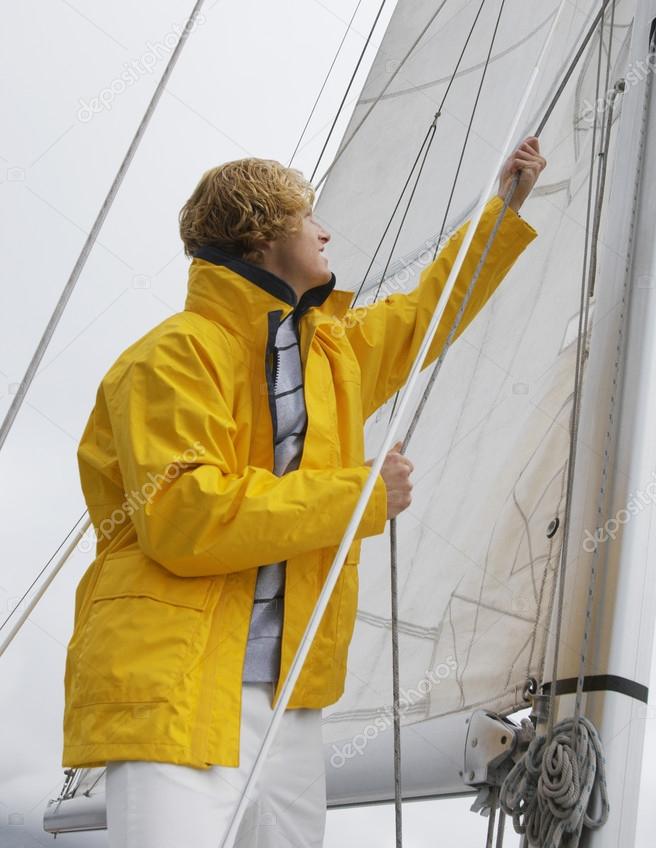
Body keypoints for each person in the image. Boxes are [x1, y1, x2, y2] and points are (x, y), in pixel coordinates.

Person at [62, 137, 545, 847]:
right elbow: (184, 517)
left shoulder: (334, 355)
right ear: (261, 234)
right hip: (174, 691)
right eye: (307, 217)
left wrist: (503, 210)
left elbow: (426, 314)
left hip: (292, 704)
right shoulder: (170, 357)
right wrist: (360, 497)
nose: (323, 231)